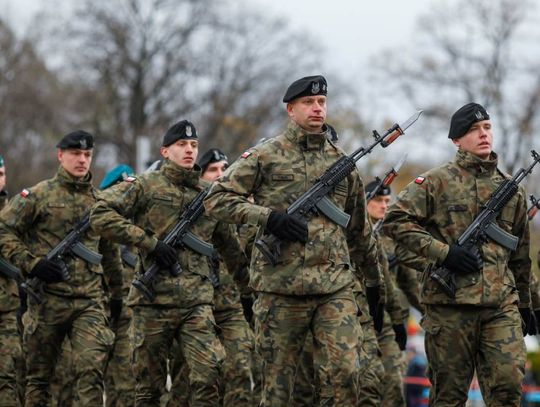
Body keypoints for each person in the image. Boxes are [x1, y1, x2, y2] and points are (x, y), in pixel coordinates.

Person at [204, 75, 383, 406]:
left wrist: (375, 284)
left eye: (322, 102)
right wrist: (269, 218)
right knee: (278, 389)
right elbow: (216, 200)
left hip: (334, 288)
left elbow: (359, 231)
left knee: (345, 375)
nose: (317, 108)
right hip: (280, 289)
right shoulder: (265, 156)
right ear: (291, 109)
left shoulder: (341, 164)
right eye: (308, 103)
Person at [383, 102, 532, 406]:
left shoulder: (511, 190)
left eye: (487, 127)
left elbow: (520, 256)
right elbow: (394, 221)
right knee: (449, 396)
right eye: (474, 130)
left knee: (507, 388)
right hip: (449, 308)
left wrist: (528, 305)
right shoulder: (435, 182)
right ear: (456, 140)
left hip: (499, 307)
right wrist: (444, 253)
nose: (483, 134)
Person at [90, 120, 247, 406]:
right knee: (148, 388)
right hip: (152, 302)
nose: (189, 150)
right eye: (181, 145)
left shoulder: (208, 194)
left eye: (194, 145)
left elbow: (231, 249)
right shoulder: (145, 186)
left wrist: (248, 292)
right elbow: (100, 214)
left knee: (209, 374)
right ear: (165, 151)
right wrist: (149, 242)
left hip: (196, 303)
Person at [0, 131, 120, 406]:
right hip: (47, 301)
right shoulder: (39, 196)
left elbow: (109, 251)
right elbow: (4, 229)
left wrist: (117, 296)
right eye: (75, 154)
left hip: (89, 303)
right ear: (60, 155)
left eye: (87, 155)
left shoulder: (101, 202)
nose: (82, 160)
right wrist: (32, 264)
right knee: (39, 379)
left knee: (91, 370)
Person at [168, 148, 255, 406]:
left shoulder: (240, 211)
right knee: (190, 384)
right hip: (192, 309)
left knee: (239, 371)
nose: (220, 175)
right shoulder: (185, 212)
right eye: (213, 170)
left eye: (224, 169)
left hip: (231, 307)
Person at [365, 179, 408, 407]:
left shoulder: (391, 238)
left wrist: (400, 320)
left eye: (387, 201)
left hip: (385, 321)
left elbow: (404, 283)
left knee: (393, 383)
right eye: (378, 200)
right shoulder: (349, 233)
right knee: (364, 386)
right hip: (355, 320)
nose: (384, 206)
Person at [99, 163, 137, 407]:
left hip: (128, 319)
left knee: (126, 385)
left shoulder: (139, 231)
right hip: (98, 316)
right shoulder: (95, 228)